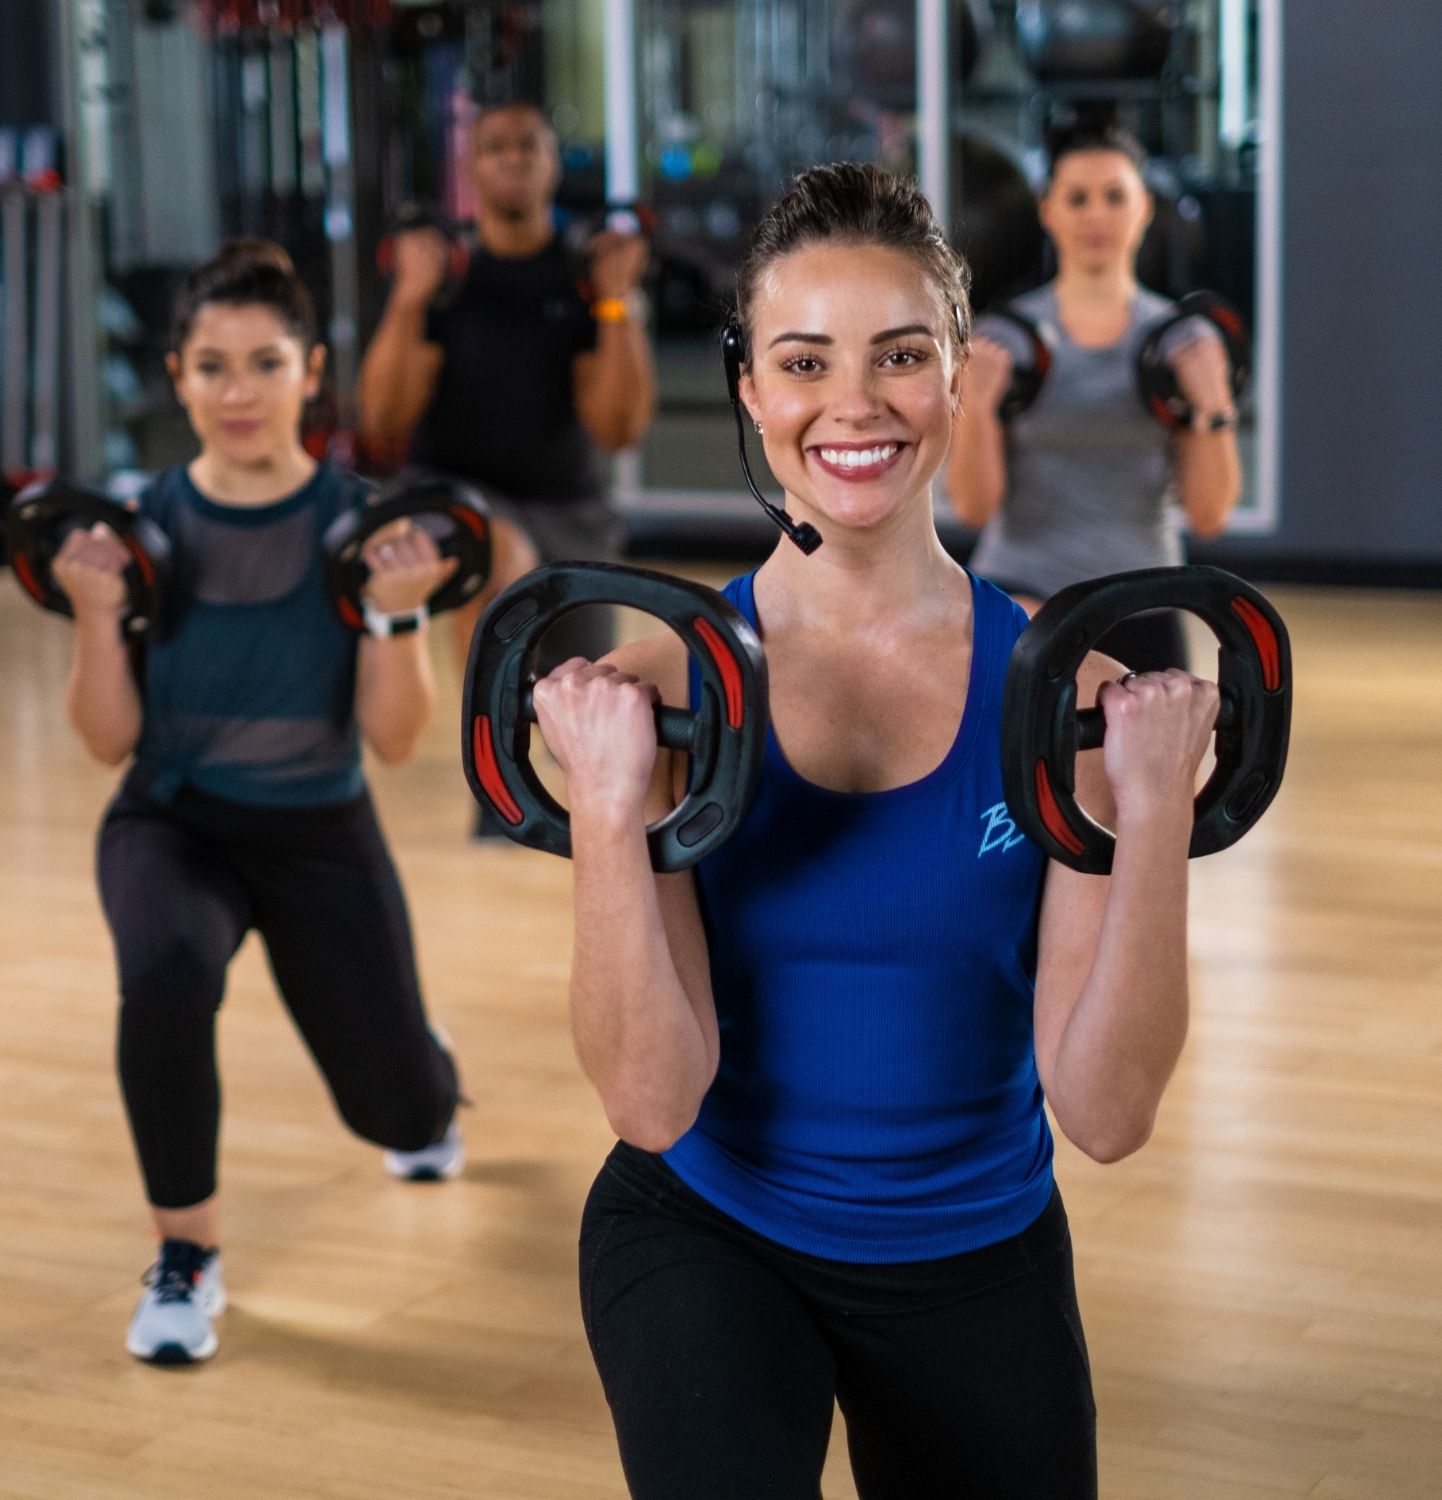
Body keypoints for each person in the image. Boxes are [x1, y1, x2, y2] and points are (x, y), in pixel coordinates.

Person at [529, 164, 1220, 1499]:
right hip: (707, 1232)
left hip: (974, 1253)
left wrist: (1152, 828)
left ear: (962, 375)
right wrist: (611, 815)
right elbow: (649, 1100)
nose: (854, 406)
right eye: (805, 361)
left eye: (901, 356)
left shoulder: (1061, 697)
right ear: (750, 390)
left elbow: (1108, 1112)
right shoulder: (670, 692)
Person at [54, 240, 465, 1367]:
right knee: (166, 973)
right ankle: (186, 1259)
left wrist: (397, 614)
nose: (239, 392)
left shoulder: (363, 524)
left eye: (265, 363)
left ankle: (419, 1069)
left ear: (310, 373)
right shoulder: (139, 527)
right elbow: (106, 744)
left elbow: (393, 739)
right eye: (213, 366)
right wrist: (96, 617)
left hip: (319, 831)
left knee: (406, 1117)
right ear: (178, 377)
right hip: (173, 821)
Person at [357, 99, 655, 681]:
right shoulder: (447, 277)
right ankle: (486, 750)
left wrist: (619, 301)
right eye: (496, 147)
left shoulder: (582, 276)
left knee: (581, 689)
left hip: (566, 507)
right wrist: (408, 298)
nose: (513, 159)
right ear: (470, 166)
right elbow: (382, 421)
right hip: (451, 498)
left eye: (529, 145)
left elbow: (618, 431)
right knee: (500, 554)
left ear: (552, 163)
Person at [947, 121, 1242, 671]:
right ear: (1048, 210)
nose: (1096, 216)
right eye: (1077, 199)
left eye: (1114, 196)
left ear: (1145, 208)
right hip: (1024, 597)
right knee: (1013, 756)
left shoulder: (1183, 344)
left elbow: (1208, 517)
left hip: (1145, 599)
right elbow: (972, 507)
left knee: (1158, 755)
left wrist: (1212, 407)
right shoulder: (1002, 339)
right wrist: (979, 411)